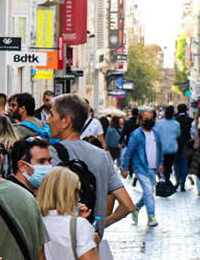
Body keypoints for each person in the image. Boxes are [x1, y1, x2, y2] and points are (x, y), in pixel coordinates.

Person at [45, 94, 135, 240]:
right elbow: (128, 206)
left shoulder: (50, 155)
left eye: (52, 115)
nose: (47, 121)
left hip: (58, 241)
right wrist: (102, 225)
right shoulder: (102, 156)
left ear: (65, 121)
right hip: (91, 241)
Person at [121, 106, 163, 227]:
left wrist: (160, 163)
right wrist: (124, 168)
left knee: (148, 192)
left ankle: (136, 208)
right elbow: (129, 151)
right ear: (140, 120)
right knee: (149, 191)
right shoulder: (136, 135)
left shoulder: (156, 133)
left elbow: (159, 149)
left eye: (150, 118)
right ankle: (151, 217)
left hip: (153, 168)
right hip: (140, 167)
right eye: (145, 119)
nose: (148, 121)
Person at [154, 105, 181, 185]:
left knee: (160, 164)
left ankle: (162, 179)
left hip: (161, 148)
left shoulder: (159, 123)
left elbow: (155, 135)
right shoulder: (176, 124)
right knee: (169, 165)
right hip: (172, 148)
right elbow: (178, 134)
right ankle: (167, 178)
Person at [174, 104, 194, 190]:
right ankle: (183, 182)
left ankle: (177, 180)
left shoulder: (175, 120)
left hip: (176, 144)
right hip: (187, 144)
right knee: (184, 164)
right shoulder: (190, 120)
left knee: (176, 164)